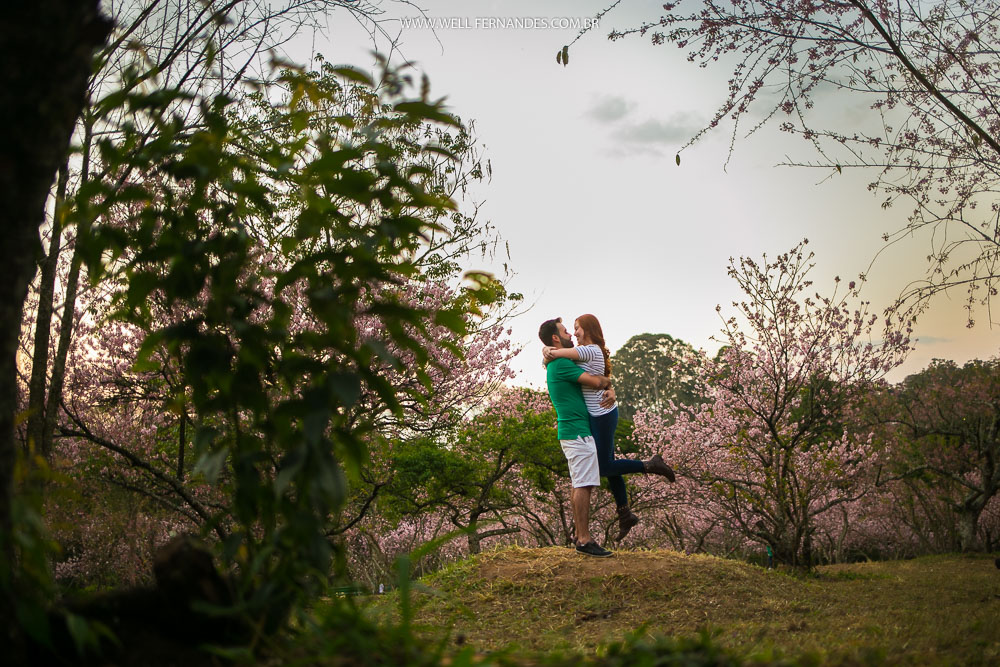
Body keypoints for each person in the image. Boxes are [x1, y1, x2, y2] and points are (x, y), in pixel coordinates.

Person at [543, 314, 676, 541]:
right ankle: (624, 513)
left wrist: (548, 351)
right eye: (569, 330)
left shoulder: (589, 350)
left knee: (604, 466)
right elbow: (596, 375)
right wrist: (548, 352)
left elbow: (586, 371)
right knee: (610, 463)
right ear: (556, 337)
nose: (573, 333)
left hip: (601, 415)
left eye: (576, 328)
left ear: (589, 329)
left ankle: (650, 465)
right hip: (597, 415)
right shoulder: (580, 356)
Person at [538, 317, 614, 558]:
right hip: (577, 431)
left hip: (572, 430)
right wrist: (607, 383)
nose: (570, 334)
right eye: (564, 332)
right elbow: (596, 381)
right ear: (555, 338)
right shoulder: (561, 365)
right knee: (584, 484)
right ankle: (583, 539)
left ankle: (582, 537)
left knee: (580, 482)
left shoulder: (558, 362)